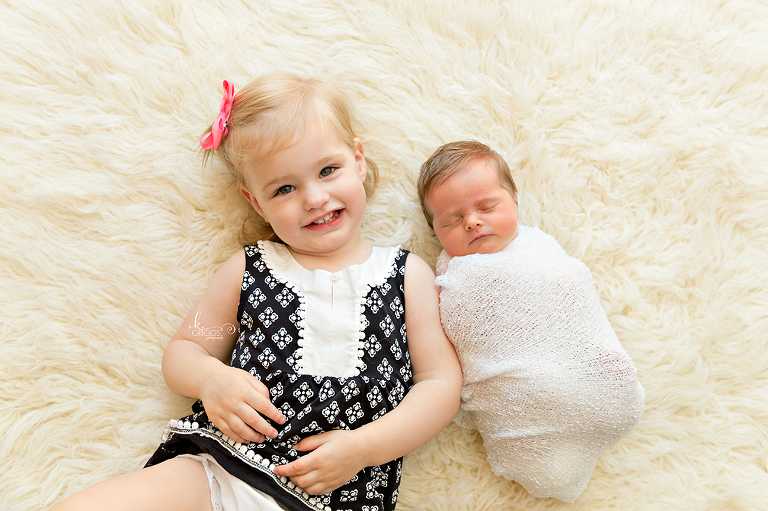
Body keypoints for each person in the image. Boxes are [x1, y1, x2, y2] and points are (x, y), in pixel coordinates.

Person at [52, 73, 462, 511]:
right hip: (224, 469)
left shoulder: (405, 275)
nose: (314, 197)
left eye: (328, 170)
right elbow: (186, 350)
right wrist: (211, 379)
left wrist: (366, 448)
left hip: (339, 494)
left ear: (358, 160)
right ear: (255, 202)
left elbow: (440, 384)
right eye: (284, 188)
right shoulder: (249, 268)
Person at [417, 140, 645, 502]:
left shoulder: (541, 247)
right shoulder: (453, 276)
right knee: (548, 473)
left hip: (591, 381)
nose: (473, 221)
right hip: (523, 398)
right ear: (435, 231)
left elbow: (574, 294)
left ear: (515, 200)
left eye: (487, 207)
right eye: (453, 220)